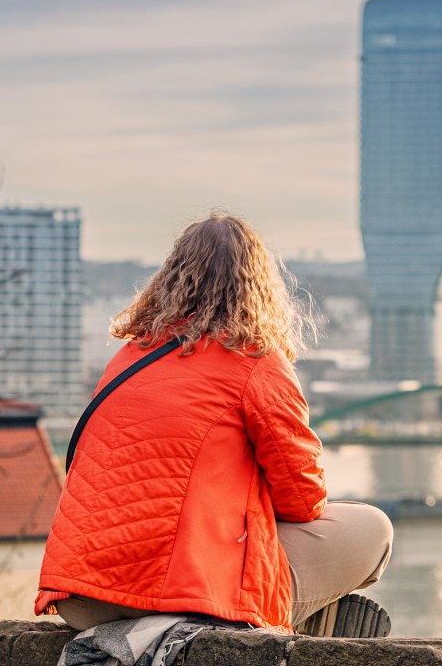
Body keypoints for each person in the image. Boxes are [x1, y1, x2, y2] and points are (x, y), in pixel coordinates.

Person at [35, 212, 392, 636]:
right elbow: (303, 500)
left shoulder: (128, 358)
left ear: (169, 279)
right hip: (175, 594)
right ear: (259, 287)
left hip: (81, 597)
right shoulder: (255, 361)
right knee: (374, 529)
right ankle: (287, 625)